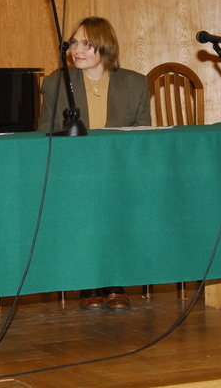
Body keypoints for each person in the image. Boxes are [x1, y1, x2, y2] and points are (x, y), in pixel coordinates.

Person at [38, 16, 151, 311]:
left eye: (86, 44)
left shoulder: (135, 83)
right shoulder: (55, 83)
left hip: (119, 171)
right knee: (87, 197)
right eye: (74, 43)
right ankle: (89, 282)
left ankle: (114, 282)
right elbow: (44, 134)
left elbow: (143, 137)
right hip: (74, 174)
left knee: (115, 196)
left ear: (105, 47)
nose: (77, 50)